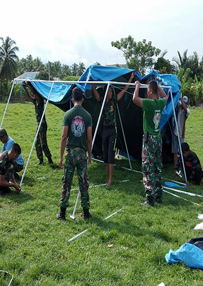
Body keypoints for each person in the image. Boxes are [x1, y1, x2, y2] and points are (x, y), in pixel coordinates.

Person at [91, 72, 134, 187]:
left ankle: (110, 180)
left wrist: (130, 79)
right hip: (104, 130)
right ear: (106, 92)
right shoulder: (102, 101)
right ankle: (108, 173)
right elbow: (95, 93)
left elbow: (124, 90)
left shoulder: (114, 100)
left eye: (111, 90)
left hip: (111, 131)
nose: (111, 92)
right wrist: (93, 82)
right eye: (109, 91)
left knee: (110, 155)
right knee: (106, 155)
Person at [56, 87, 93, 220]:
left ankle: (62, 213)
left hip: (70, 153)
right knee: (83, 183)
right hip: (82, 154)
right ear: (82, 99)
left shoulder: (68, 114)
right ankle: (86, 213)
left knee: (67, 182)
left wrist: (60, 156)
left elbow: (63, 136)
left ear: (72, 99)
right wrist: (89, 154)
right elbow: (89, 138)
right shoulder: (87, 116)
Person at [132, 78, 168, 206]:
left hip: (149, 139)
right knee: (157, 167)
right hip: (158, 138)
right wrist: (158, 87)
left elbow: (135, 99)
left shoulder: (149, 103)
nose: (146, 92)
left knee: (148, 168)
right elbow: (166, 97)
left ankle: (150, 198)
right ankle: (158, 195)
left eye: (147, 90)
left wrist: (137, 86)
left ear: (151, 91)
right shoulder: (160, 103)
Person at [22, 81, 53, 165]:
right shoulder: (35, 101)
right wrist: (25, 88)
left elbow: (35, 94)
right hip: (38, 124)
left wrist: (29, 85)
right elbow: (29, 97)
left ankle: (49, 158)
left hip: (42, 124)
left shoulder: (40, 98)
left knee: (43, 143)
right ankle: (41, 159)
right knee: (37, 143)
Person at [172, 95, 190, 172]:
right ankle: (176, 169)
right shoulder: (178, 108)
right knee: (175, 151)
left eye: (185, 103)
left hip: (181, 134)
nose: (184, 104)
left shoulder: (187, 111)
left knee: (182, 151)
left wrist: (181, 100)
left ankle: (183, 167)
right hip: (174, 132)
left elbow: (185, 109)